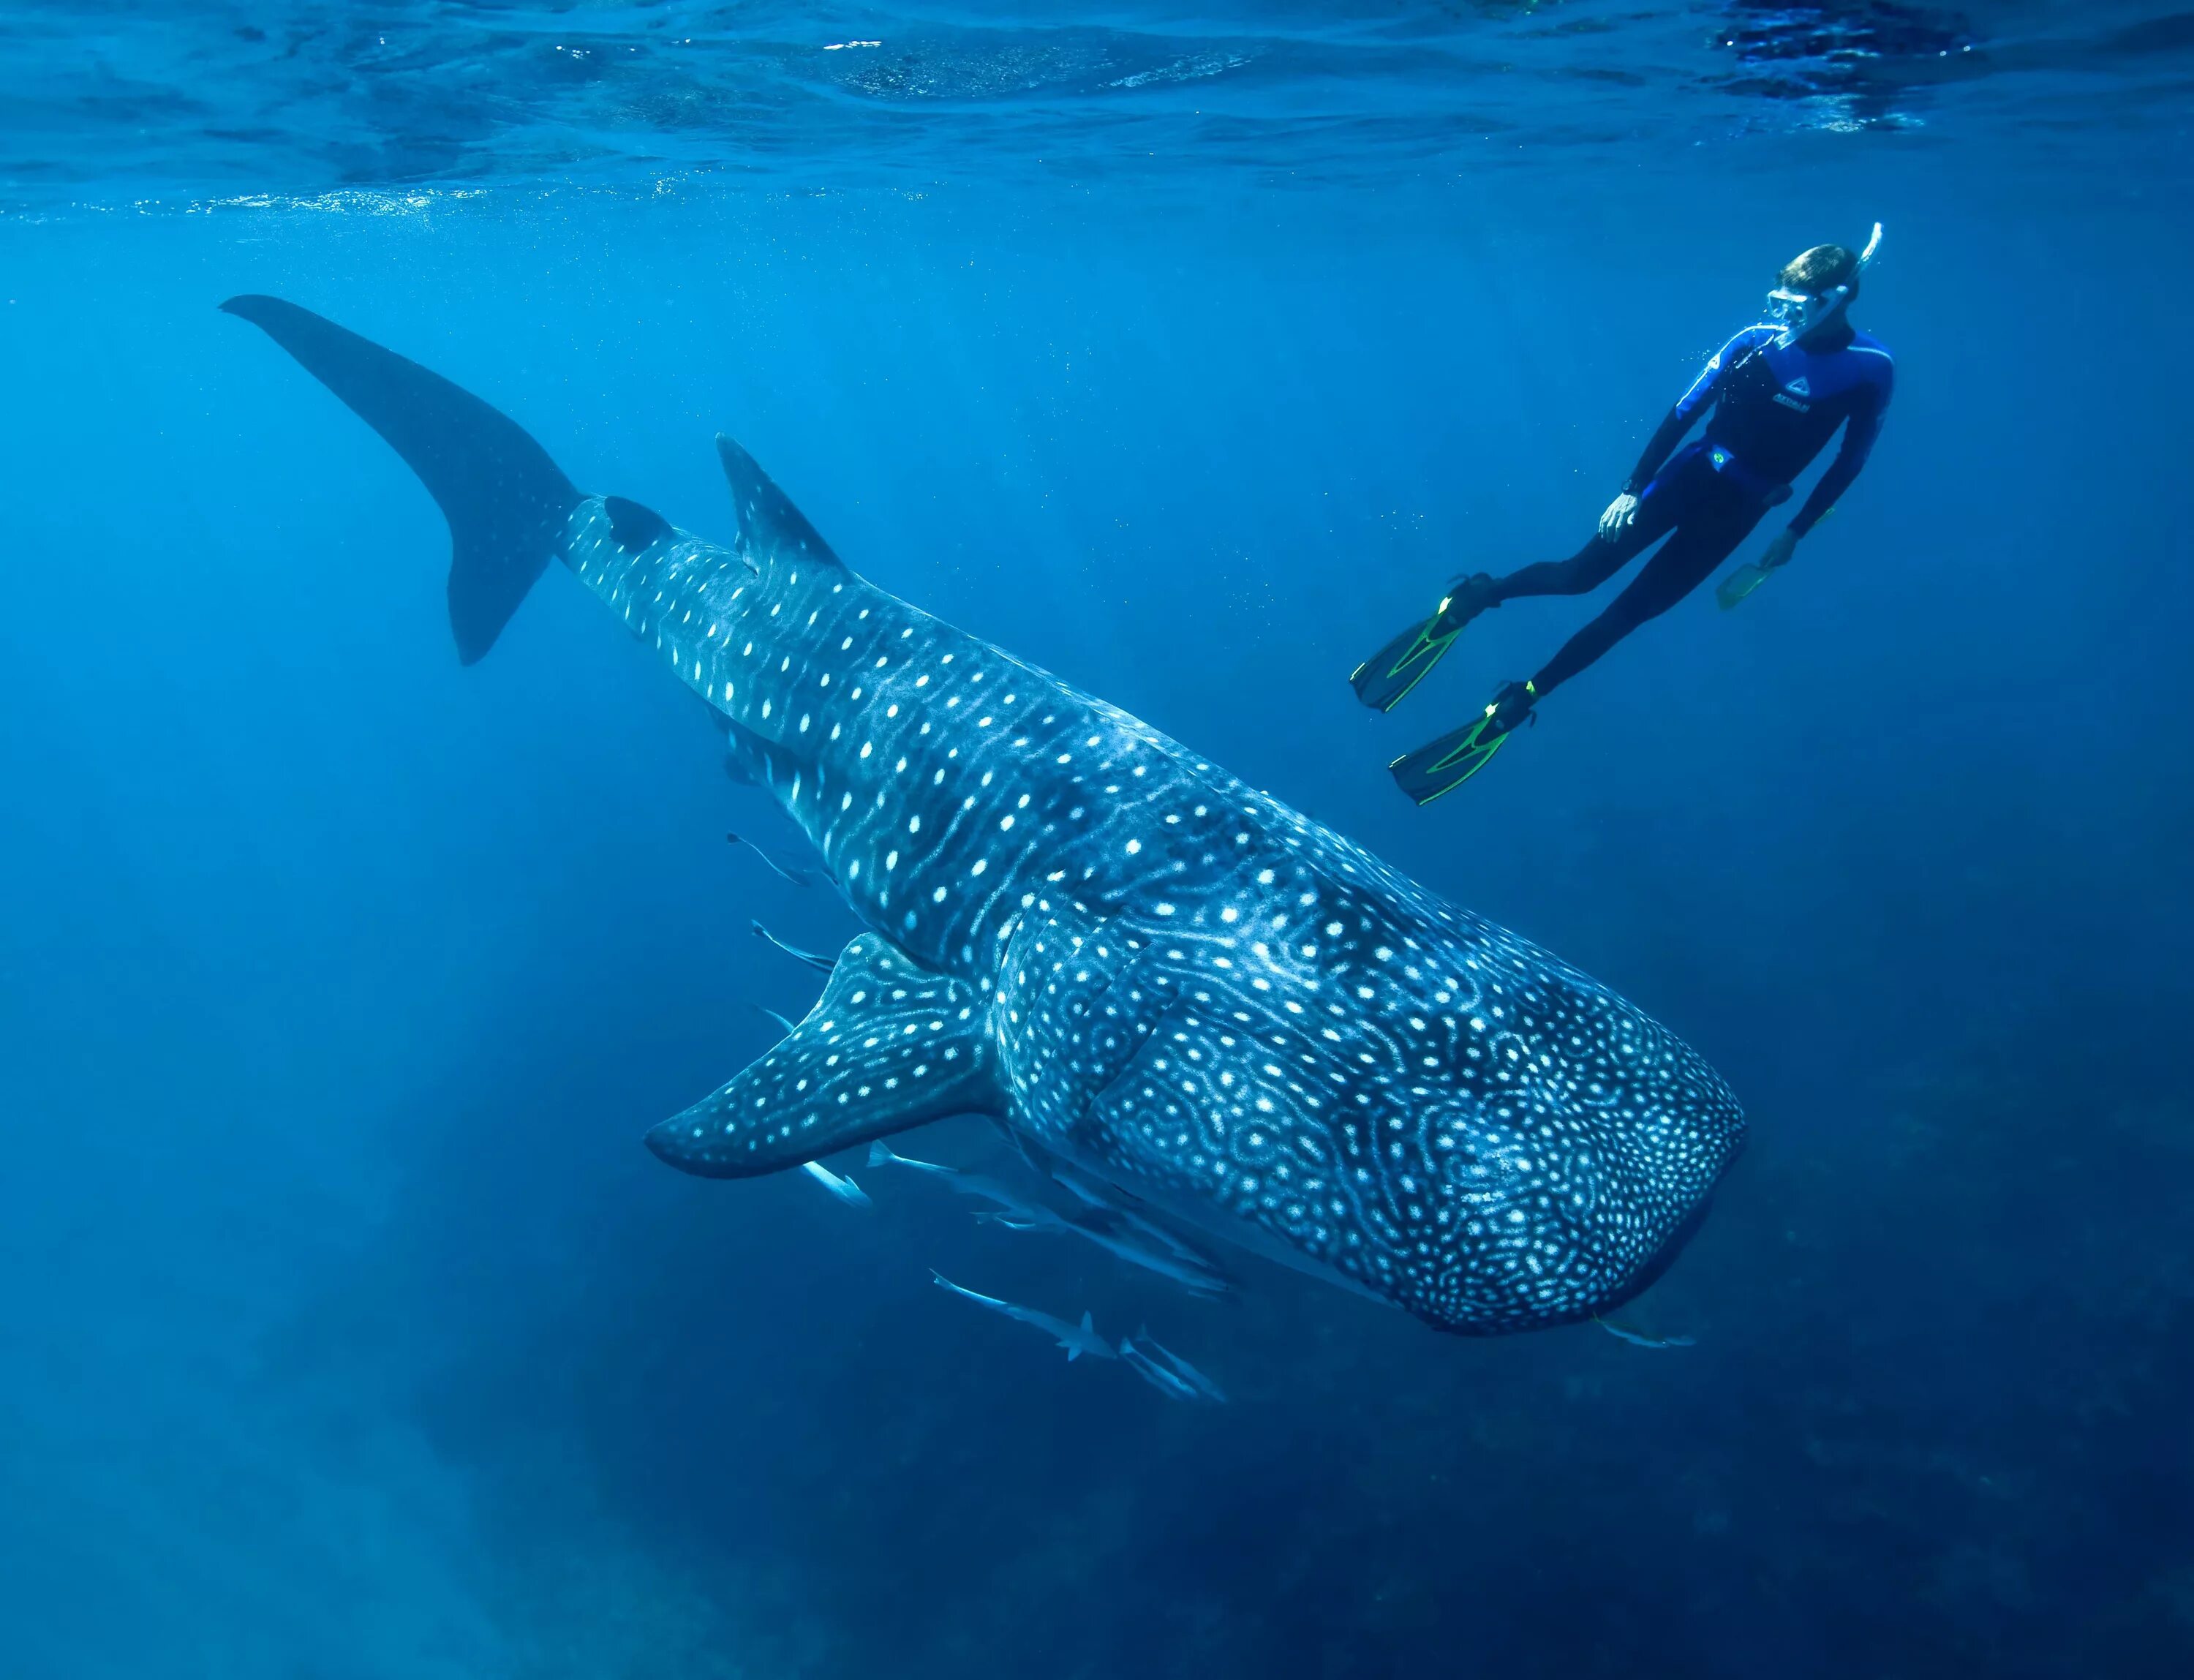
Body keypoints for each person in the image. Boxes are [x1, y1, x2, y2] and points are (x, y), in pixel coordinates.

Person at [1354, 227, 1895, 804]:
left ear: (1836, 300)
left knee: (1631, 613)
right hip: (1685, 478)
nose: (1784, 315)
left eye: (1798, 305)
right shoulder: (1754, 341)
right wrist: (1632, 488)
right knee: (1577, 577)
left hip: (1740, 511)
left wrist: (1795, 531)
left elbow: (1850, 461)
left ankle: (1523, 698)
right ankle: (1481, 596)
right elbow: (1684, 411)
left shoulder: (1870, 369)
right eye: (1778, 301)